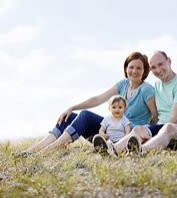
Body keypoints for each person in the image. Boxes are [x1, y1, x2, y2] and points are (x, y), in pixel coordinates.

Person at [20, 51, 158, 157]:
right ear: (126, 68)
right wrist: (73, 107)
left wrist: (143, 136)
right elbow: (98, 99)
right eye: (131, 67)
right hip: (108, 134)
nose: (134, 71)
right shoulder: (123, 84)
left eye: (139, 68)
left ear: (145, 71)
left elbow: (155, 116)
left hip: (125, 136)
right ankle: (35, 149)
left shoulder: (146, 90)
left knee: (85, 115)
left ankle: (51, 149)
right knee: (71, 116)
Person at [98, 50, 177, 155]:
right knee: (139, 129)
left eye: (161, 64)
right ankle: (112, 150)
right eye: (153, 67)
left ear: (169, 61)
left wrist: (153, 137)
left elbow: (173, 120)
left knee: (169, 127)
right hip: (163, 131)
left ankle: (141, 151)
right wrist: (148, 131)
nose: (158, 70)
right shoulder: (157, 85)